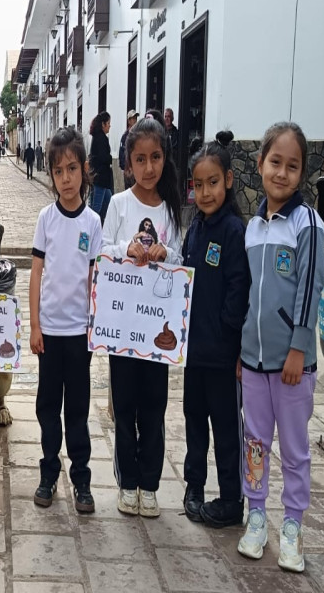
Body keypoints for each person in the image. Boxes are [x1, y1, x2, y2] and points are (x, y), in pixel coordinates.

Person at [237, 122, 324, 573]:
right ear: (260, 164)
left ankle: (292, 525)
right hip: (252, 363)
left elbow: (310, 290)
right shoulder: (253, 229)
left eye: (293, 166)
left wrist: (298, 347)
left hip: (293, 366)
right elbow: (250, 294)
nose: (282, 173)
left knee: (293, 448)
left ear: (302, 173)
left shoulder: (308, 224)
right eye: (276, 162)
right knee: (254, 443)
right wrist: (240, 351)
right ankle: (256, 515)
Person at [101, 117, 183, 518]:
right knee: (126, 405)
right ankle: (127, 481)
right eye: (140, 160)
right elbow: (102, 253)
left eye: (156, 158)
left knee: (154, 405)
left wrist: (166, 253)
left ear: (164, 159)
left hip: (157, 331)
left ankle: (149, 484)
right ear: (128, 164)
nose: (149, 167)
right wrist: (126, 249)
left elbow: (182, 262)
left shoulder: (170, 210)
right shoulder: (118, 205)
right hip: (122, 330)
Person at [30, 126, 102, 514]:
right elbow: (37, 273)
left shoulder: (92, 223)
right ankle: (48, 470)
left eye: (72, 169)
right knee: (46, 405)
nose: (66, 179)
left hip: (80, 334)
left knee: (77, 407)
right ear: (51, 176)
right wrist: (36, 325)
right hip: (50, 334)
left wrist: (95, 325)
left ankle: (82, 479)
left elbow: (96, 278)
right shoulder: (46, 219)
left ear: (84, 169)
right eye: (58, 172)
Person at [181, 131, 250, 528]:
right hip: (193, 352)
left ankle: (230, 499)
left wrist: (227, 333)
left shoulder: (233, 232)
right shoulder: (196, 229)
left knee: (226, 429)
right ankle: (194, 486)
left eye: (213, 183)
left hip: (222, 355)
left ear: (227, 180)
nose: (205, 193)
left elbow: (239, 287)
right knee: (194, 422)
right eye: (199, 185)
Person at [88, 111, 115, 224]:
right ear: (103, 124)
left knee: (108, 207)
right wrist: (110, 158)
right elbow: (103, 157)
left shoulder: (98, 137)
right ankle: (88, 233)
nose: (110, 125)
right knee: (96, 209)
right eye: (108, 123)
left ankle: (102, 231)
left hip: (103, 180)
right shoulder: (101, 138)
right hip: (100, 179)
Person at [119, 109, 139, 189]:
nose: (134, 121)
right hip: (128, 170)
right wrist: (125, 167)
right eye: (133, 118)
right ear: (129, 121)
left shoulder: (139, 135)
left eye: (135, 118)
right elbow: (122, 153)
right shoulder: (125, 136)